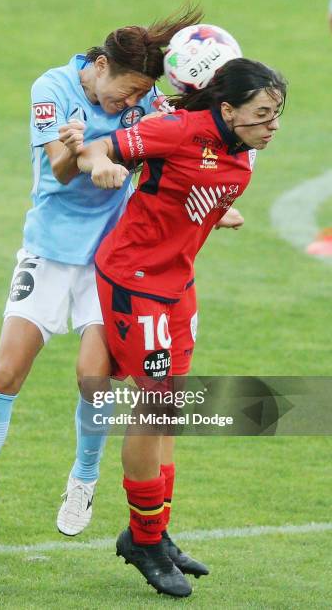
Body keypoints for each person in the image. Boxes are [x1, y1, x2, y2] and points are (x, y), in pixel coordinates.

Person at [0, 7, 218, 561]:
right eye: (124, 93)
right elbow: (56, 168)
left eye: (138, 97)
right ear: (99, 66)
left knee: (92, 380)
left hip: (111, 261)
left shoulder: (146, 99)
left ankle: (84, 478)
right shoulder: (51, 87)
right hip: (50, 251)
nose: (128, 106)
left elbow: (187, 136)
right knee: (6, 374)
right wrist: (83, 155)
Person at [76, 57, 287, 597]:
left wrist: (217, 213)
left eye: (277, 113)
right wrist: (97, 161)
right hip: (135, 280)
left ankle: (155, 530)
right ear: (226, 109)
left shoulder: (242, 150)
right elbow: (104, 147)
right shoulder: (176, 131)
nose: (272, 125)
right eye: (262, 113)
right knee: (154, 407)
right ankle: (143, 539)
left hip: (177, 284)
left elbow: (192, 193)